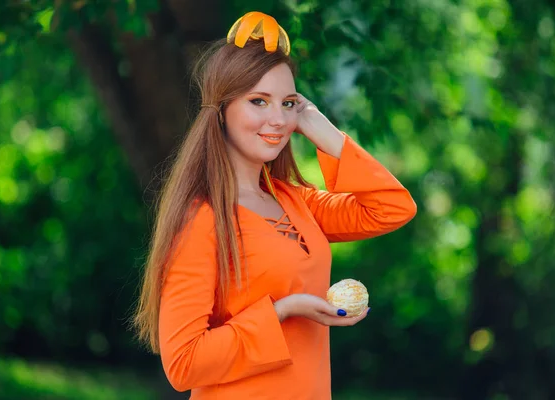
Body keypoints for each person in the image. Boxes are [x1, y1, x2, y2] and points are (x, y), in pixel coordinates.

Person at [133, 11, 417, 400]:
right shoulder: (202, 219)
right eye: (258, 101)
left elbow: (393, 207)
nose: (277, 119)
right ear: (222, 111)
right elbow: (183, 364)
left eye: (287, 103)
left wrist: (323, 132)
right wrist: (283, 310)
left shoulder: (295, 201)